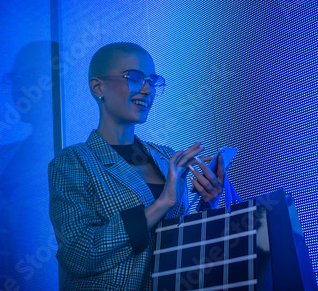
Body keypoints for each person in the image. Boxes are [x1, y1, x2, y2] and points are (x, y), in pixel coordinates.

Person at [48, 42, 230, 290]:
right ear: (97, 87)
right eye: (133, 77)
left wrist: (208, 202)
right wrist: (162, 202)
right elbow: (79, 255)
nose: (147, 89)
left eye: (152, 80)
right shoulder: (75, 161)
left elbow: (178, 247)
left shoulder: (165, 158)